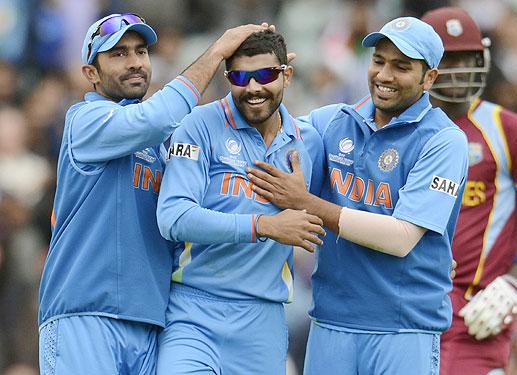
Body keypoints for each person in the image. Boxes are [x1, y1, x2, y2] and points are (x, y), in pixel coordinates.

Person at [37, 13, 270, 375]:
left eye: (141, 51)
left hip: (149, 321)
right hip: (84, 316)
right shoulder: (84, 120)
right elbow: (155, 118)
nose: (134, 62)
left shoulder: (163, 144)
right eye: (117, 54)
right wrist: (216, 51)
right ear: (90, 74)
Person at [247, 16, 469, 374]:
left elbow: (400, 238)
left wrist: (306, 203)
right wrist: (262, 74)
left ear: (430, 78)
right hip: (331, 321)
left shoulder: (444, 140)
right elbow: (265, 138)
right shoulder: (333, 121)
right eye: (379, 60)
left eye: (401, 66)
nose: (384, 75)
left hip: (404, 327)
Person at [155, 30, 325, 375]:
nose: (252, 88)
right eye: (240, 77)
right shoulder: (199, 125)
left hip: (262, 320)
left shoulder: (310, 142)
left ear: (286, 75)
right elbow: (173, 217)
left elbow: (349, 208)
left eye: (264, 75)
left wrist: (427, 253)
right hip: (194, 311)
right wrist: (264, 226)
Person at [421, 6, 517, 375]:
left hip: (476, 309)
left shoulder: (508, 128)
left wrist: (514, 282)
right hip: (406, 305)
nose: (458, 69)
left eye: (466, 57)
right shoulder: (394, 128)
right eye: (447, 59)